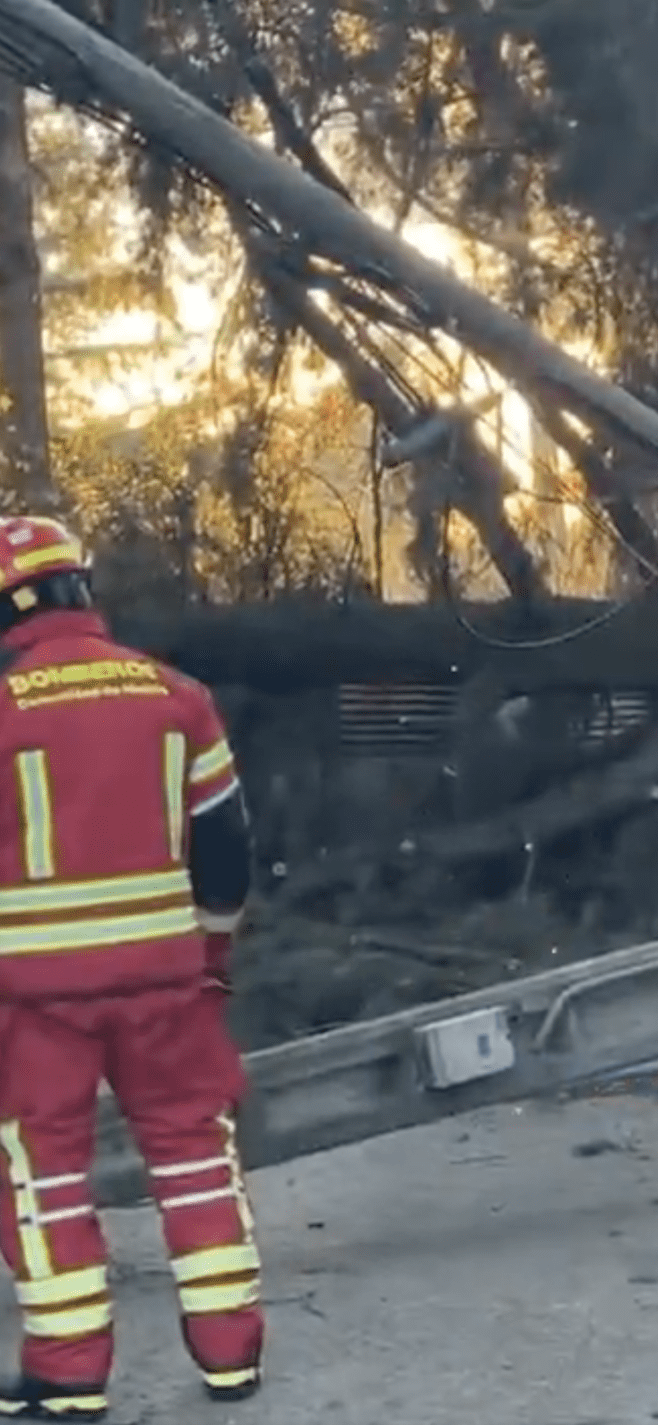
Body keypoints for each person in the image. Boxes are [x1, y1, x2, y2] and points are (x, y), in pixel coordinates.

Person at [0, 516, 261, 1421]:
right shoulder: (179, 695)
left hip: (35, 1000)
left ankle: (70, 1377)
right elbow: (228, 851)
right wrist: (212, 954)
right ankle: (232, 1355)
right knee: (194, 1151)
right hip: (166, 980)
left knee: (43, 1171)